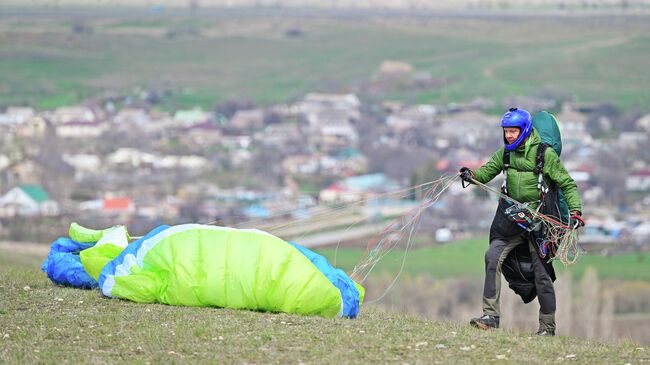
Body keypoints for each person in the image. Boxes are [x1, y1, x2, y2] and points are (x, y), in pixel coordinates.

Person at [459, 108, 585, 336]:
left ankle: (547, 328)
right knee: (492, 257)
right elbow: (487, 172)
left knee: (542, 274)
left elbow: (567, 184)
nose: (508, 135)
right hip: (511, 220)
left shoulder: (544, 155)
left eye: (513, 131)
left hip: (540, 224)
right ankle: (490, 316)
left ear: (524, 130)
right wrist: (472, 176)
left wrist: (575, 212)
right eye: (506, 131)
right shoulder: (505, 154)